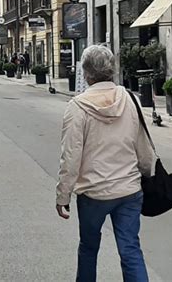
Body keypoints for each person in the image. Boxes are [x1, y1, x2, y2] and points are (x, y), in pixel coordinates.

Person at [56, 45, 154, 282]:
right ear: (112, 69)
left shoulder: (78, 107)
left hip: (94, 193)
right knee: (131, 250)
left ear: (86, 72)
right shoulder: (130, 99)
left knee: (89, 249)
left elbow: (70, 156)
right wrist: (147, 174)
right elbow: (143, 145)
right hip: (129, 190)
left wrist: (63, 196)